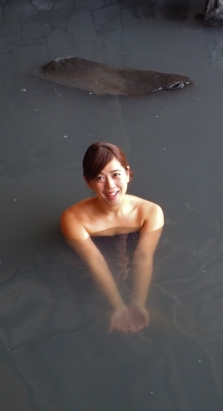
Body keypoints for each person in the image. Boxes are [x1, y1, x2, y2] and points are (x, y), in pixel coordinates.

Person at [60, 142, 164, 333]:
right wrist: (118, 306)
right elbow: (95, 262)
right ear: (87, 181)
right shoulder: (73, 219)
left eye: (116, 175)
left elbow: (143, 257)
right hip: (93, 243)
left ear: (127, 173)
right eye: (100, 177)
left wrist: (138, 303)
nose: (110, 186)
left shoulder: (150, 212)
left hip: (131, 238)